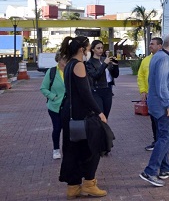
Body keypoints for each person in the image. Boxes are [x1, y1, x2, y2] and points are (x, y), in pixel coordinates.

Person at [58, 36, 108, 199]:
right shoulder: (79, 65)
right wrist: (99, 112)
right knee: (93, 147)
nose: (88, 51)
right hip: (82, 114)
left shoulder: (68, 64)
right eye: (87, 48)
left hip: (69, 112)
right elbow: (86, 93)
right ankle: (89, 183)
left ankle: (73, 187)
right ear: (82, 49)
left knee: (72, 149)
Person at [139, 32, 169, 187]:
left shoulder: (159, 57)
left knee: (163, 138)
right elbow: (161, 85)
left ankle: (165, 168)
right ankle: (150, 171)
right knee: (166, 138)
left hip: (158, 105)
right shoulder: (164, 59)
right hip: (164, 107)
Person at [137, 37, 164, 151]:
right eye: (150, 44)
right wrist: (143, 91)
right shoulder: (146, 60)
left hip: (163, 96)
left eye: (152, 44)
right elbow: (141, 76)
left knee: (164, 121)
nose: (150, 46)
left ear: (160, 46)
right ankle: (156, 141)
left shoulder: (167, 59)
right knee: (154, 120)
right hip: (151, 96)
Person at [39, 52, 67, 160]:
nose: (66, 61)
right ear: (59, 59)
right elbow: (43, 88)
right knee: (57, 128)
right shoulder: (52, 72)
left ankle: (68, 150)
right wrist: (53, 97)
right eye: (64, 59)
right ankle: (56, 149)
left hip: (68, 106)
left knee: (68, 129)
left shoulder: (71, 71)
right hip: (55, 106)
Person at [86, 40, 119, 119]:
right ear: (93, 49)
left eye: (102, 48)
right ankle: (99, 130)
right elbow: (95, 75)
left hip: (108, 90)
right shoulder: (90, 63)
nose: (101, 50)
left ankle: (103, 131)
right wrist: (105, 64)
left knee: (106, 115)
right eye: (98, 48)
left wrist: (115, 65)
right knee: (100, 115)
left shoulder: (105, 59)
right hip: (97, 90)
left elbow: (115, 75)